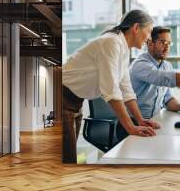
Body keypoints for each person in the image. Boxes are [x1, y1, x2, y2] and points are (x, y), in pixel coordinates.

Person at [62, 10, 160, 163]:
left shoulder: (123, 49)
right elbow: (111, 90)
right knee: (68, 157)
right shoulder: (111, 43)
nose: (149, 38)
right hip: (63, 97)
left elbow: (125, 88)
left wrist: (140, 120)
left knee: (69, 154)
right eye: (149, 32)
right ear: (136, 28)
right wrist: (130, 127)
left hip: (75, 100)